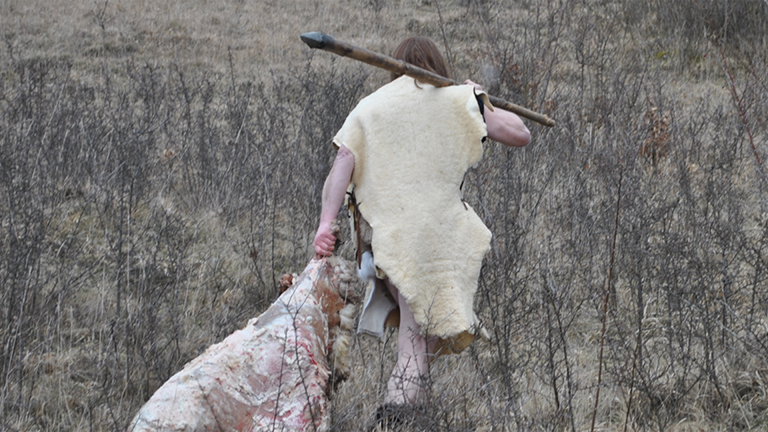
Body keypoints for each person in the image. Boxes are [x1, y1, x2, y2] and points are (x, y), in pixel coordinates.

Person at [313, 36, 530, 424]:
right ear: (437, 65)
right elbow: (519, 134)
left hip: (391, 245)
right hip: (434, 244)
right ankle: (393, 421)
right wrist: (478, 98)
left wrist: (326, 224)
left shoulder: (370, 108)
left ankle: (415, 417)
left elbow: (344, 160)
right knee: (414, 343)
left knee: (422, 338)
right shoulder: (456, 101)